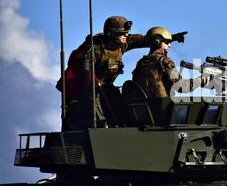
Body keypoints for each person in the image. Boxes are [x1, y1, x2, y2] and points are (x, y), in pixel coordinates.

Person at [56, 16, 187, 130]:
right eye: (122, 33)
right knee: (91, 124)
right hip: (83, 94)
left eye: (127, 33)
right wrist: (97, 85)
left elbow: (144, 40)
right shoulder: (95, 49)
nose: (126, 36)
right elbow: (83, 69)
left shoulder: (122, 44)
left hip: (104, 93)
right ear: (111, 34)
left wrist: (169, 38)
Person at [132, 27, 212, 99]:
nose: (170, 46)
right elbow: (181, 86)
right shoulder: (164, 60)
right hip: (162, 109)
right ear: (157, 42)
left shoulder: (141, 62)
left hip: (146, 111)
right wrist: (202, 79)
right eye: (166, 42)